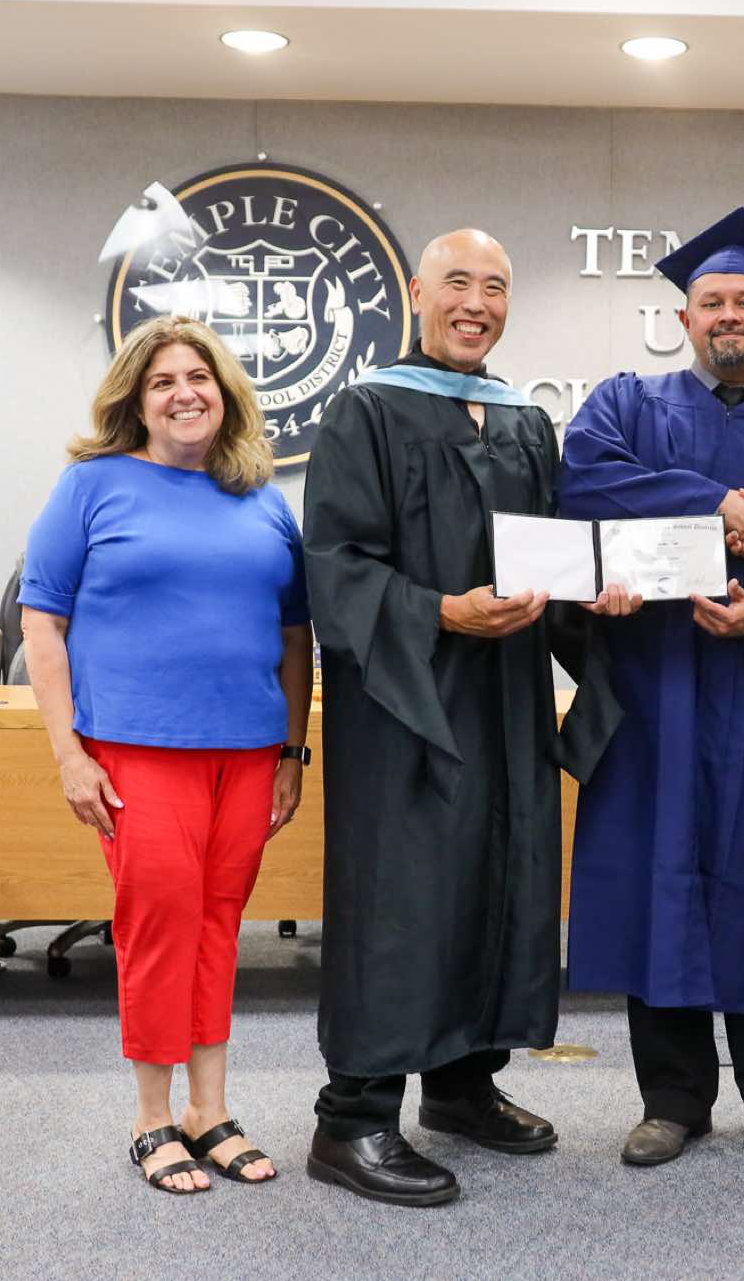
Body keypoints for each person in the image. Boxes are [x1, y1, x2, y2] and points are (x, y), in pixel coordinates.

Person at [302, 228, 637, 1208]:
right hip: (405, 706)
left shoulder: (525, 422)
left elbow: (551, 559)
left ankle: (460, 1084)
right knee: (401, 894)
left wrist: (598, 595)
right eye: (457, 281)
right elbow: (336, 564)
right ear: (417, 292)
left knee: (498, 874)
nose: (476, 303)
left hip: (506, 699)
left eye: (494, 286)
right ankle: (352, 1118)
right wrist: (441, 611)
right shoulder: (365, 410)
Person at [555, 207, 744, 1168]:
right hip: (652, 691)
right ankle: (673, 1097)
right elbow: (583, 487)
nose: (730, 315)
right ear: (684, 317)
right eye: (713, 301)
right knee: (659, 885)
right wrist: (715, 504)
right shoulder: (625, 408)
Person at [19, 315, 313, 1196]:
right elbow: (42, 622)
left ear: (225, 392)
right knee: (157, 924)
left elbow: (295, 636)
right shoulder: (92, 485)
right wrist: (68, 753)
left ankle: (207, 1110)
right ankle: (151, 1117)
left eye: (198, 377)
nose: (184, 393)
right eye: (162, 382)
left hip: (249, 750)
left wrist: (294, 750)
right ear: (136, 401)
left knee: (220, 923)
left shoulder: (264, 497)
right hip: (136, 749)